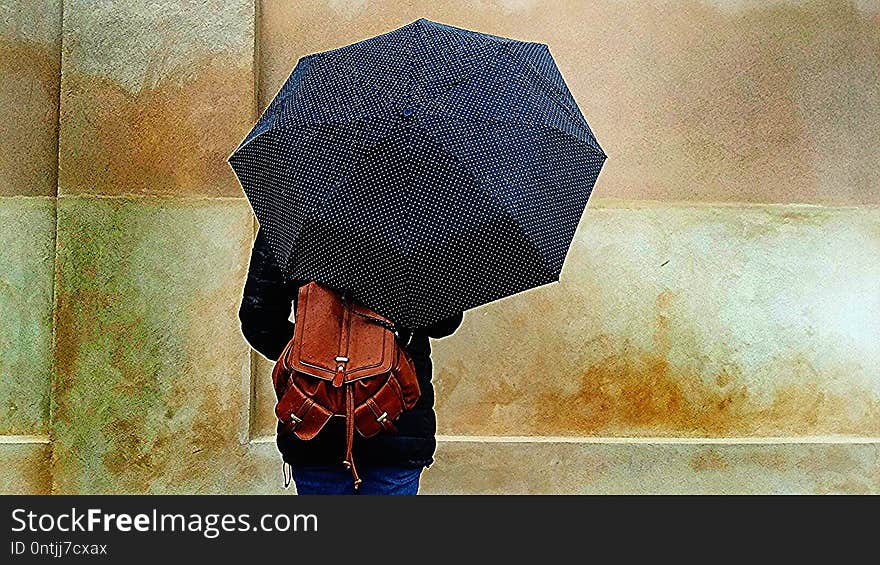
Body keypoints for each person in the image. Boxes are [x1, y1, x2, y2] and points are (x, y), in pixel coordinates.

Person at [238, 228, 463, 495]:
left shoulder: (294, 215)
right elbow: (444, 323)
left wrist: (314, 358)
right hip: (397, 420)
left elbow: (259, 320)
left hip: (314, 415)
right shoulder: (420, 222)